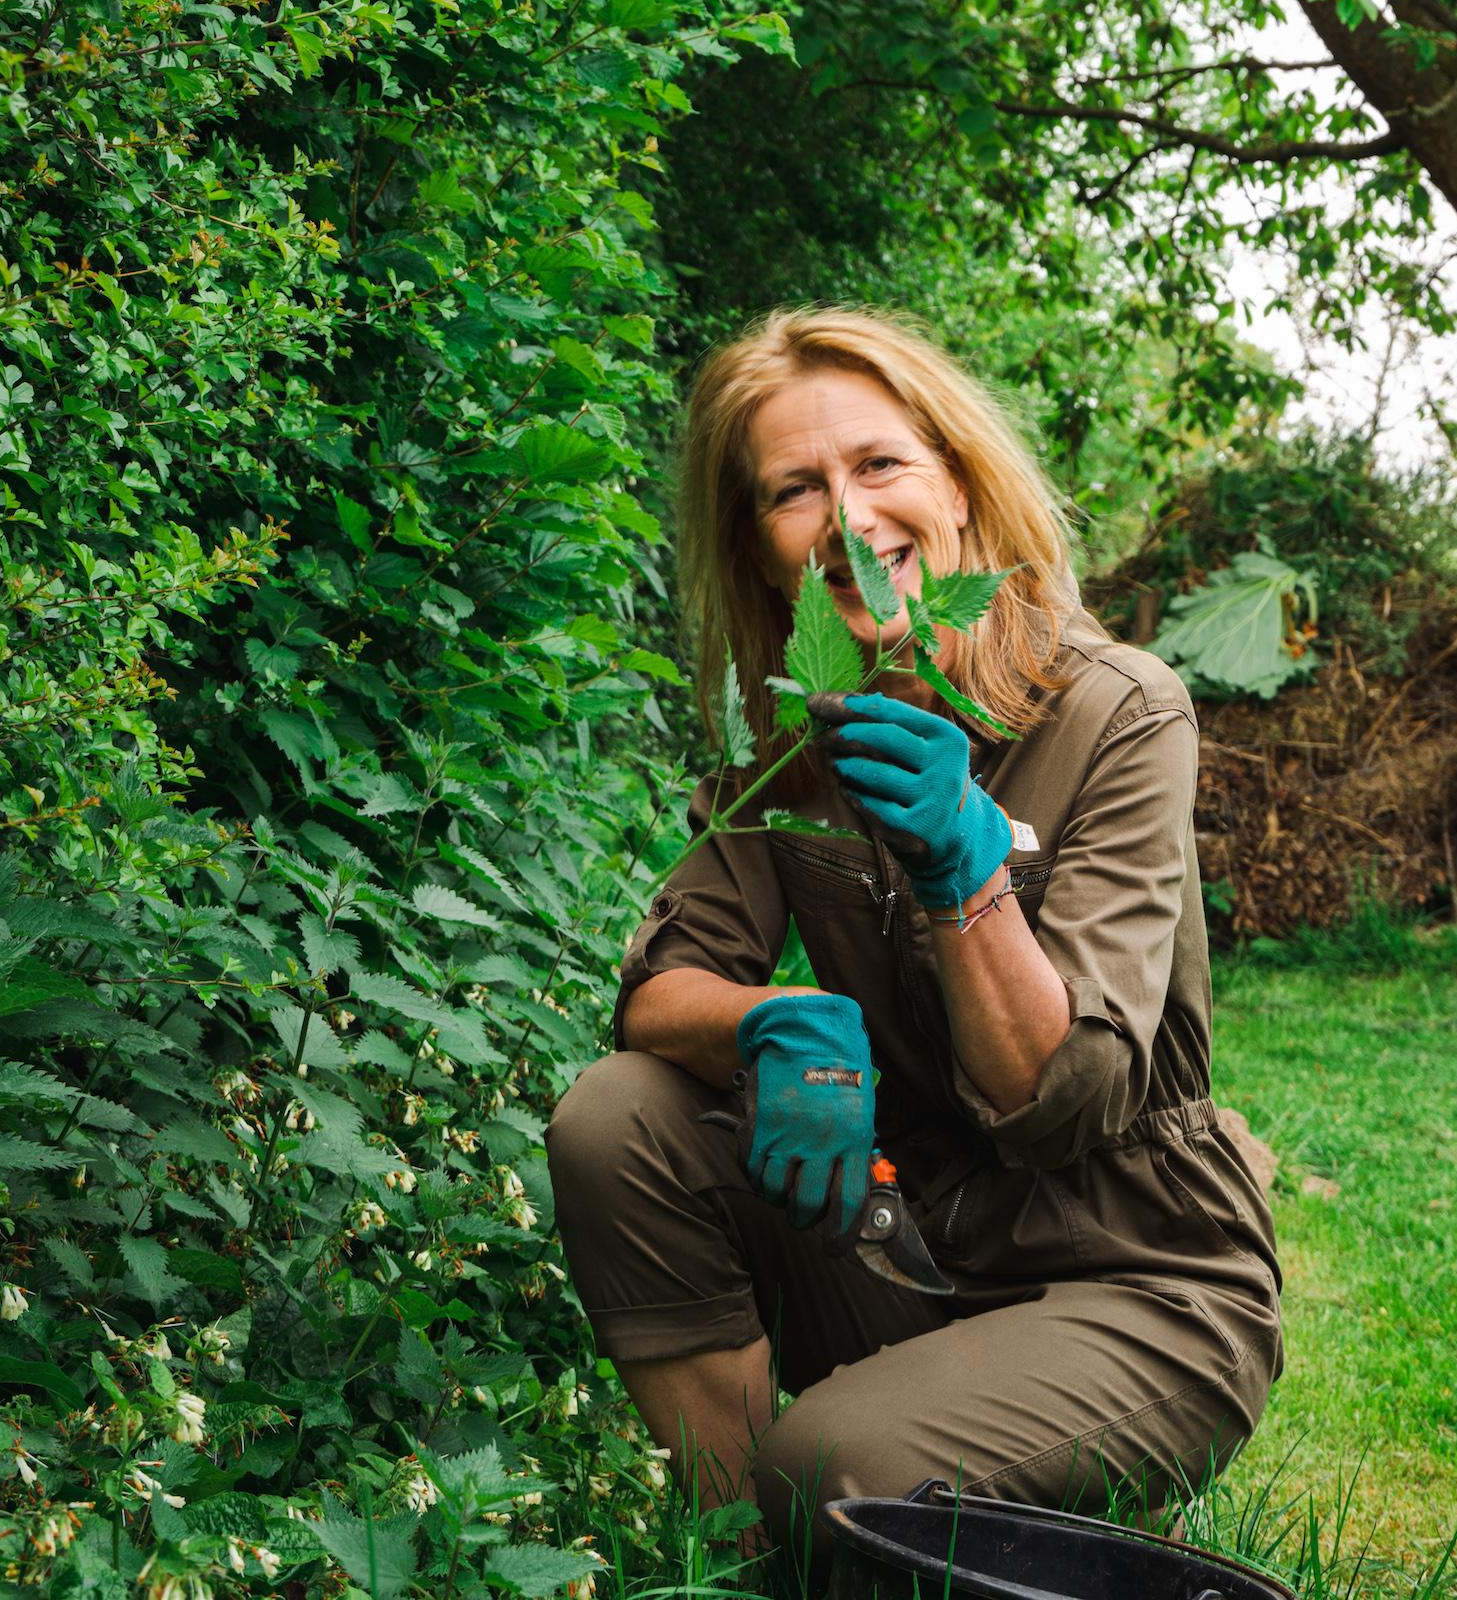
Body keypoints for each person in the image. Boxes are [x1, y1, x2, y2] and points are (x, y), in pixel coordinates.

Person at [544, 308, 1281, 1570]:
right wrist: (767, 1022)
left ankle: (1007, 1500)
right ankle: (736, 1564)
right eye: (794, 488)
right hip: (912, 1244)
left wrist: (964, 868)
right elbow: (656, 987)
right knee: (616, 1117)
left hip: (1138, 1277)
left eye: (879, 464)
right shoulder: (803, 738)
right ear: (760, 540)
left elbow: (1059, 1101)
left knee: (836, 1470)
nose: (845, 514)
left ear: (958, 478)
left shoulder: (1117, 710)